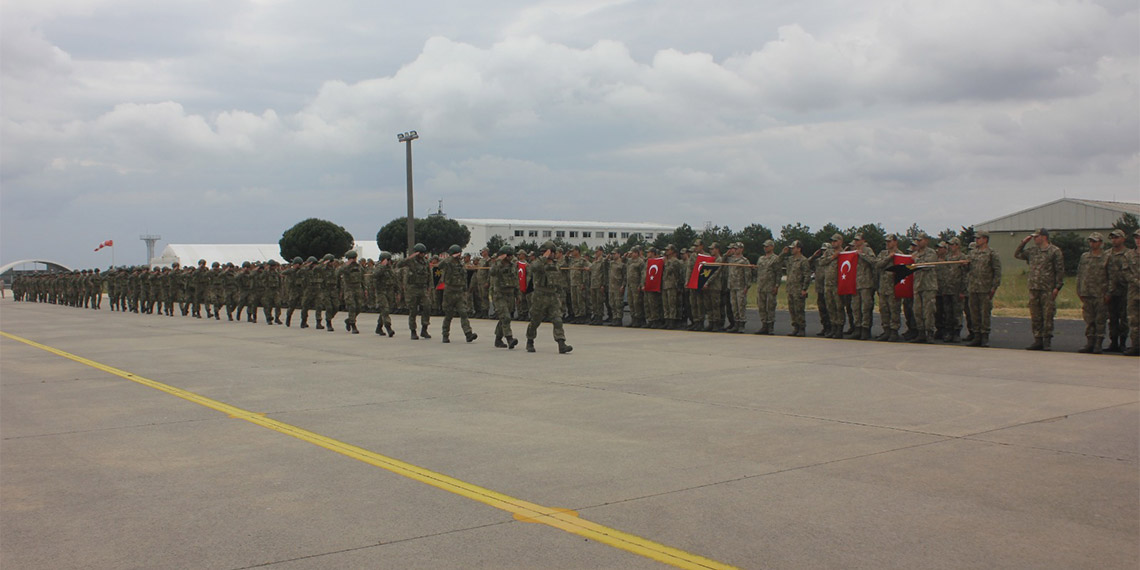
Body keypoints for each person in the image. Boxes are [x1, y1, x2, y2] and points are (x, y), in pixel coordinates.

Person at [1014, 228, 1065, 351]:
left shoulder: (1054, 251)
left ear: (1044, 237)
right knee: (1035, 315)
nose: (1035, 239)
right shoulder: (1033, 251)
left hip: (1047, 288)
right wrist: (1023, 242)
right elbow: (1017, 254)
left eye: (1037, 236)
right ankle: (1037, 339)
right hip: (1034, 287)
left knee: (1048, 315)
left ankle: (1047, 341)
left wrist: (1057, 287)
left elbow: (1060, 270)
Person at [526, 241, 573, 353]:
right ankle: (530, 341)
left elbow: (558, 280)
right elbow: (533, 268)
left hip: (553, 295)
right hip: (540, 296)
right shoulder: (539, 262)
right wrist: (544, 257)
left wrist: (560, 295)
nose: (554, 254)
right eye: (552, 252)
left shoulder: (555, 264)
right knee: (535, 321)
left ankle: (561, 343)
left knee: (557, 320)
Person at [966, 231, 1001, 347]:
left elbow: (997, 271)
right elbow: (967, 269)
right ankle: (976, 335)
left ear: (985, 239)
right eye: (976, 238)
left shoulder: (992, 253)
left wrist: (994, 287)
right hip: (973, 287)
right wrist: (965, 265)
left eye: (979, 238)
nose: (976, 240)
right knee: (974, 313)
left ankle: (984, 336)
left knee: (985, 313)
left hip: (985, 288)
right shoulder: (972, 253)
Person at [1076, 233, 1109, 353]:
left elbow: (1111, 276)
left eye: (1095, 241)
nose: (1092, 243)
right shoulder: (1085, 256)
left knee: (1100, 320)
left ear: (1100, 242)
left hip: (1100, 293)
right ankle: (1090, 343)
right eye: (1090, 241)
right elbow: (1080, 273)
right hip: (1087, 292)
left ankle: (1098, 344)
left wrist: (1109, 293)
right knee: (1089, 320)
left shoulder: (1106, 257)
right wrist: (1079, 289)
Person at [438, 244, 477, 343]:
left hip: (459, 292)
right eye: (458, 253)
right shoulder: (448, 263)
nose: (459, 255)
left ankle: (468, 334)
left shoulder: (460, 264)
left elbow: (464, 277)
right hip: (449, 292)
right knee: (449, 315)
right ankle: (445, 334)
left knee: (463, 313)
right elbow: (439, 265)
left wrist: (465, 291)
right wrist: (450, 257)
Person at [397, 243, 433, 340]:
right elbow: (399, 265)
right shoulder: (411, 261)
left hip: (423, 288)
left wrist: (430, 287)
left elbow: (429, 275)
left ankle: (424, 329)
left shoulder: (425, 262)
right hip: (412, 288)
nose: (422, 254)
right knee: (413, 310)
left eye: (423, 253)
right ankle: (413, 331)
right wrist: (409, 258)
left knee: (427, 306)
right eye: (421, 253)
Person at [909, 233, 939, 344]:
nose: (918, 242)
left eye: (920, 240)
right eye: (917, 240)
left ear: (926, 241)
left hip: (928, 286)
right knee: (917, 311)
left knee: (928, 311)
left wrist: (916, 260)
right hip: (918, 285)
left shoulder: (931, 253)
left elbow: (927, 265)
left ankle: (930, 333)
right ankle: (921, 333)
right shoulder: (915, 253)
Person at [1105, 229, 1131, 352]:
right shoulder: (1107, 254)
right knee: (1112, 318)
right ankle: (1113, 342)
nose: (1114, 240)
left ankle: (1123, 343)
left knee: (1124, 318)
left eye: (1117, 237)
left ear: (1123, 239)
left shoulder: (1129, 254)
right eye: (1113, 238)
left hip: (1125, 291)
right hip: (1111, 291)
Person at [490, 245, 520, 348]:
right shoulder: (497, 265)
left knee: (505, 318)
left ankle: (498, 339)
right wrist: (499, 260)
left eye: (511, 255)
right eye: (508, 255)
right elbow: (492, 272)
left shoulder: (513, 266)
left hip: (510, 294)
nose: (511, 257)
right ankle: (509, 339)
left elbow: (516, 280)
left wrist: (517, 295)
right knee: (506, 317)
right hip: (500, 295)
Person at [753, 239, 782, 335]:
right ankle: (764, 325)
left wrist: (776, 286)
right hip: (761, 286)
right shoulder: (761, 258)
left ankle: (770, 327)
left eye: (767, 246)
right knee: (761, 307)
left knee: (770, 307)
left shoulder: (775, 258)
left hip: (770, 286)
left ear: (772, 247)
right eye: (764, 246)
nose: (765, 248)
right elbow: (758, 272)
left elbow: (778, 273)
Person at [784, 240, 812, 337]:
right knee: (792, 310)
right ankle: (795, 327)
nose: (792, 249)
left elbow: (807, 275)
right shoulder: (790, 259)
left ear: (799, 249)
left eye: (793, 248)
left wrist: (804, 289)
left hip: (798, 289)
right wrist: (783, 253)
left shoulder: (803, 260)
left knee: (799, 309)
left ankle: (801, 328)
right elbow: (779, 261)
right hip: (790, 288)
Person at [338, 250, 366, 334]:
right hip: (349, 289)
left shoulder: (359, 267)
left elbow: (362, 278)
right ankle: (353, 325)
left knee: (359, 307)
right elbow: (337, 273)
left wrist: (365, 289)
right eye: (352, 258)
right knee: (352, 307)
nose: (354, 260)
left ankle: (349, 320)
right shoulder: (345, 267)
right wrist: (346, 264)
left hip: (357, 288)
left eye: (354, 258)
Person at [371, 252, 398, 337]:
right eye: (388, 260)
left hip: (389, 292)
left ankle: (379, 327)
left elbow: (394, 279)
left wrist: (397, 291)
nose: (389, 262)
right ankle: (388, 328)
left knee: (385, 310)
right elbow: (375, 275)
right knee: (385, 309)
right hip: (381, 292)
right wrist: (383, 265)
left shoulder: (390, 269)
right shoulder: (379, 267)